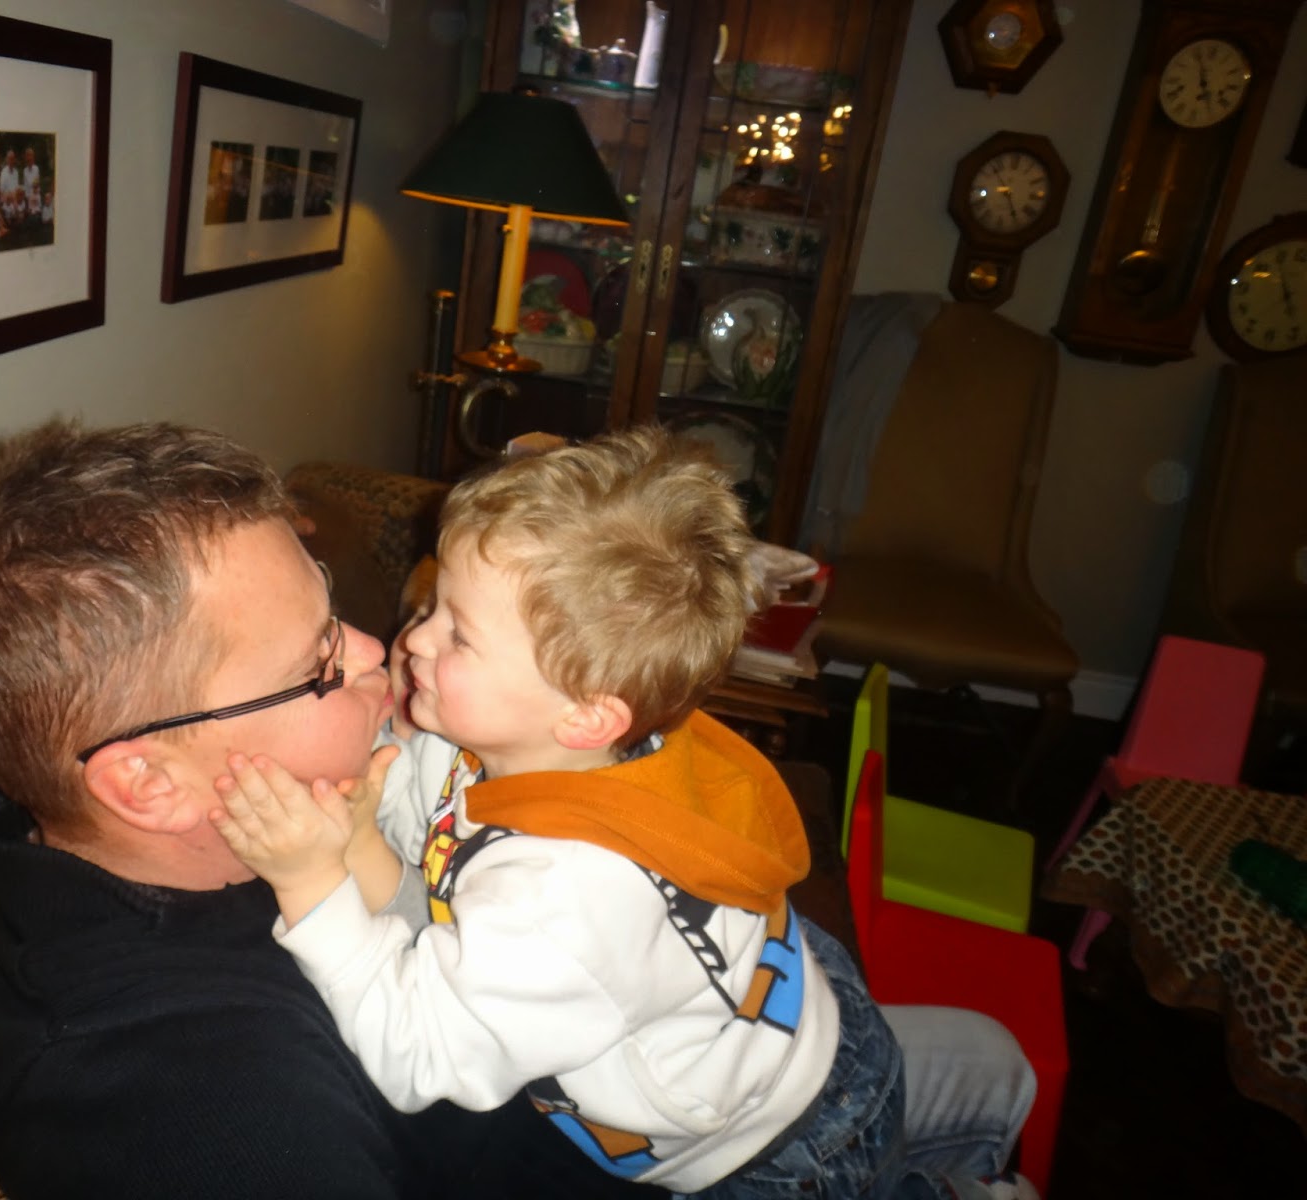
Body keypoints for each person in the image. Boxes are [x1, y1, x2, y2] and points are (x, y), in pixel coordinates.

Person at [211, 426, 1039, 1199]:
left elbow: (420, 1052)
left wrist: (312, 885)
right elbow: (433, 839)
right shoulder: (524, 740)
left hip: (782, 1149)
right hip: (789, 1023)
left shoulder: (572, 899)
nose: (412, 640)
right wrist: (363, 815)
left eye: (459, 635)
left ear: (585, 714)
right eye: (432, 608)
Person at [0, 419, 676, 1200]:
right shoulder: (206, 1113)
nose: (376, 651)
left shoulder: (265, 824)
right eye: (318, 664)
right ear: (151, 783)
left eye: (332, 611)